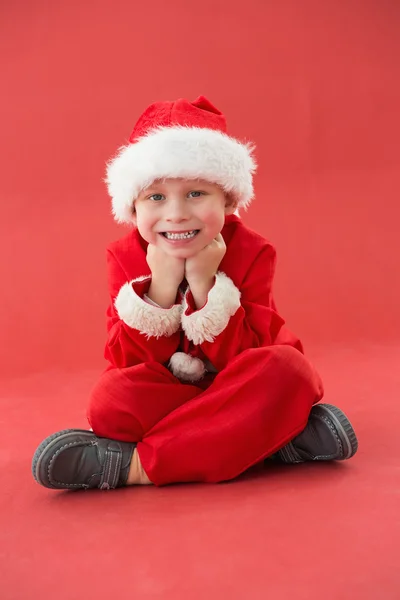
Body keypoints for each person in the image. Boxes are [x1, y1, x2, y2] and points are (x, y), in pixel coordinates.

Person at [32, 96, 358, 491]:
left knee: (291, 373)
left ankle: (135, 467)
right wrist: (161, 287)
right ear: (133, 209)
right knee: (110, 401)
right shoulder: (122, 257)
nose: (176, 214)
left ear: (229, 200)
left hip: (238, 382)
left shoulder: (253, 252)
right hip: (170, 394)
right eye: (156, 197)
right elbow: (128, 362)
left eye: (195, 194)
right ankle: (272, 439)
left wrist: (205, 287)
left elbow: (246, 355)